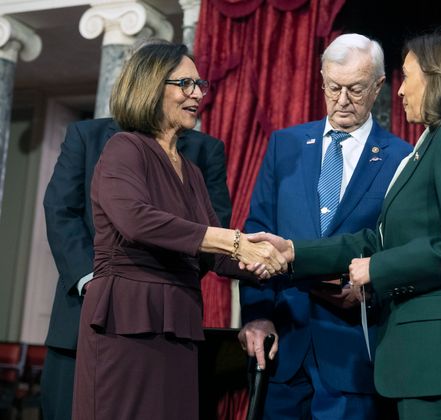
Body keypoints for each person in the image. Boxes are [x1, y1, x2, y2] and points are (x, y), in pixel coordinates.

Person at [247, 26, 441, 420]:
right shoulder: (432, 142)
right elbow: (380, 238)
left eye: (408, 77)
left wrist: (377, 270)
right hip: (425, 361)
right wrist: (294, 251)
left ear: (437, 78)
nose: (400, 91)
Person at [70, 41, 285, 420]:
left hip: (180, 324)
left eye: (199, 84)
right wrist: (235, 241)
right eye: (185, 83)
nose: (198, 93)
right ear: (151, 86)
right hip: (127, 321)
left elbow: (215, 254)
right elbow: (137, 219)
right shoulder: (125, 148)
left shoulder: (193, 171)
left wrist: (280, 257)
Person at [238, 33, 412, 419]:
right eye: (333, 87)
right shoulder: (285, 146)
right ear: (321, 80)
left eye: (355, 89)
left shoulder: (402, 158)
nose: (342, 100)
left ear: (379, 86)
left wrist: (374, 291)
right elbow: (256, 234)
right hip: (284, 344)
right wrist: (257, 313)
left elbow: (402, 249)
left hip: (354, 352)